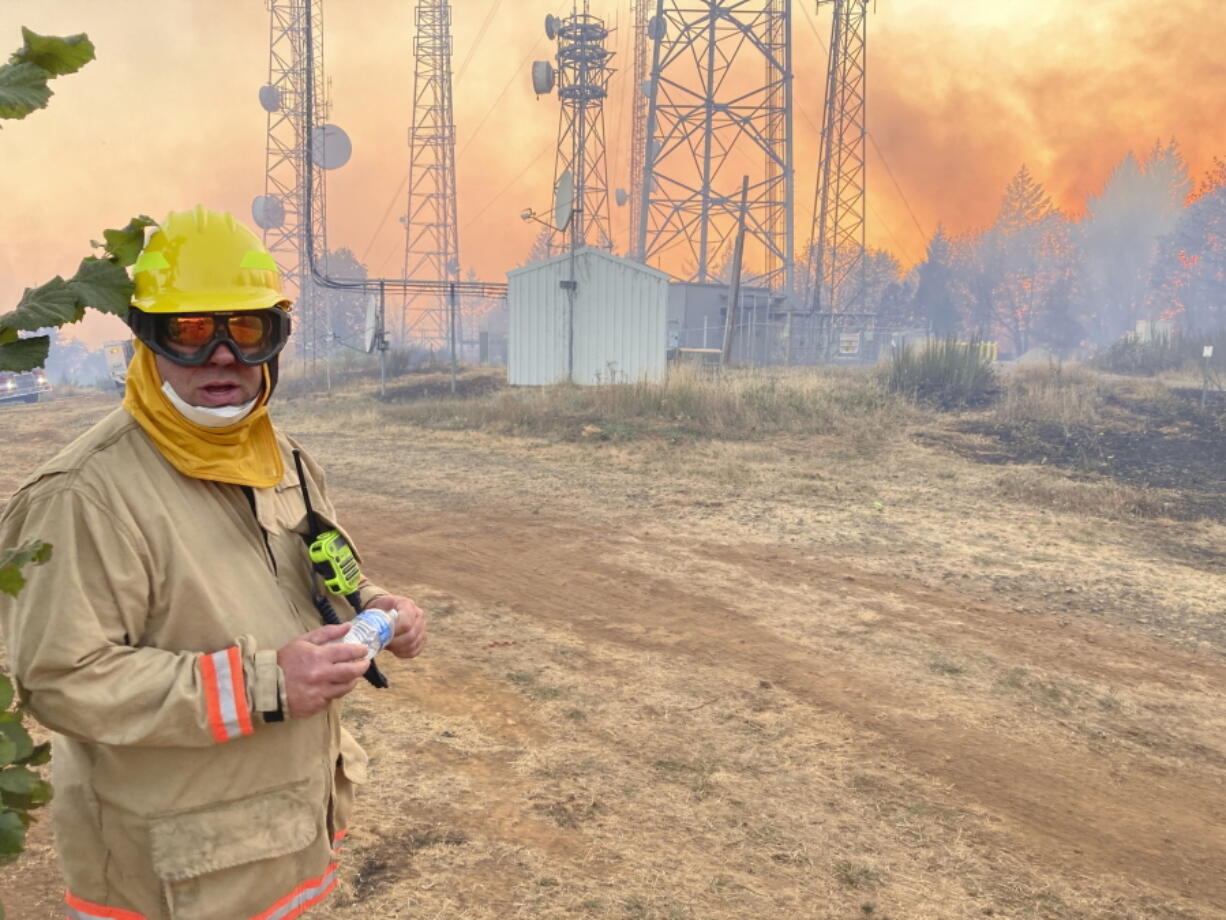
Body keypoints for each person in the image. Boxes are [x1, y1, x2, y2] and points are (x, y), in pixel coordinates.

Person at [0, 206, 426, 920]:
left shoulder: (278, 455)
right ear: (147, 340)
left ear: (276, 339)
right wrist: (265, 682)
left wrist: (377, 605)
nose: (223, 355)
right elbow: (60, 680)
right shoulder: (85, 496)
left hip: (284, 845)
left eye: (247, 330)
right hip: (174, 880)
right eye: (191, 332)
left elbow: (323, 567)